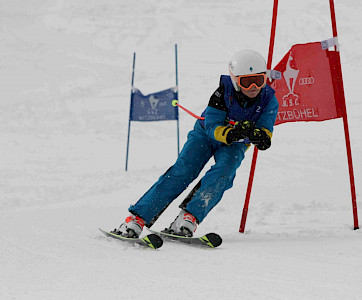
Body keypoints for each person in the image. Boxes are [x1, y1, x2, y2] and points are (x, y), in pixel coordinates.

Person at [114, 49, 279, 238]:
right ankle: (137, 218)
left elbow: (266, 128)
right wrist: (231, 133)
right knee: (182, 172)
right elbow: (211, 125)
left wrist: (262, 137)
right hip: (205, 136)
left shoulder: (269, 99)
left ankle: (188, 217)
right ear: (235, 80)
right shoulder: (222, 93)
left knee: (224, 173)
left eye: (258, 80)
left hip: (235, 145)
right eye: (246, 81)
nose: (253, 87)